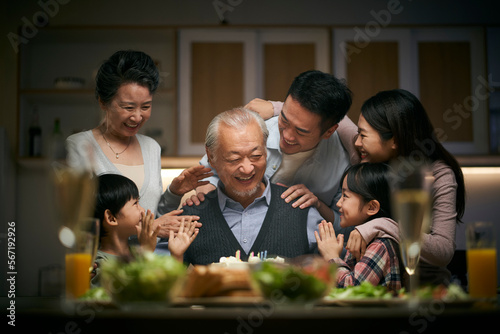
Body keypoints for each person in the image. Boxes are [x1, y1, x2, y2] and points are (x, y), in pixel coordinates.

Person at [66, 50, 212, 254]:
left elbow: (156, 216)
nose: (137, 117)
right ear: (103, 102)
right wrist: (151, 228)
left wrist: (173, 193)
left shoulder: (151, 147)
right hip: (102, 271)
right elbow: (77, 225)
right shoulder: (78, 147)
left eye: (146, 106)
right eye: (128, 107)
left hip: (145, 266)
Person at [189, 70, 357, 239]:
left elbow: (345, 227)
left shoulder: (343, 164)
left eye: (301, 131)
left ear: (329, 131)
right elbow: (207, 170)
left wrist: (318, 205)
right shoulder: (256, 130)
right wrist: (208, 192)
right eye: (284, 120)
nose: (287, 136)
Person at [169, 107, 326, 265]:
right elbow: (169, 284)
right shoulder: (191, 218)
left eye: (256, 156)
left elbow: (332, 272)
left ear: (265, 151)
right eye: (234, 159)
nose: (247, 168)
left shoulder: (300, 209)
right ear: (211, 157)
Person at [348, 89, 466, 285]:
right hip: (382, 291)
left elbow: (443, 251)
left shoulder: (438, 175)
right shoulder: (370, 163)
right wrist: (280, 108)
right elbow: (334, 118)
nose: (356, 142)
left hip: (426, 294)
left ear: (394, 140)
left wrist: (381, 225)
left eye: (363, 135)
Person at [90, 174, 199, 287]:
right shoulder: (99, 263)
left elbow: (167, 290)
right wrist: (146, 251)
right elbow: (130, 296)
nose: (143, 210)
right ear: (111, 218)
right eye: (135, 204)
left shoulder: (135, 253)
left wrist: (176, 255)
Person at [315, 163, 403, 290]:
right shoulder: (360, 238)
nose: (339, 203)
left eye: (345, 196)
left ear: (371, 207)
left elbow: (353, 289)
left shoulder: (380, 245)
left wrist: (332, 256)